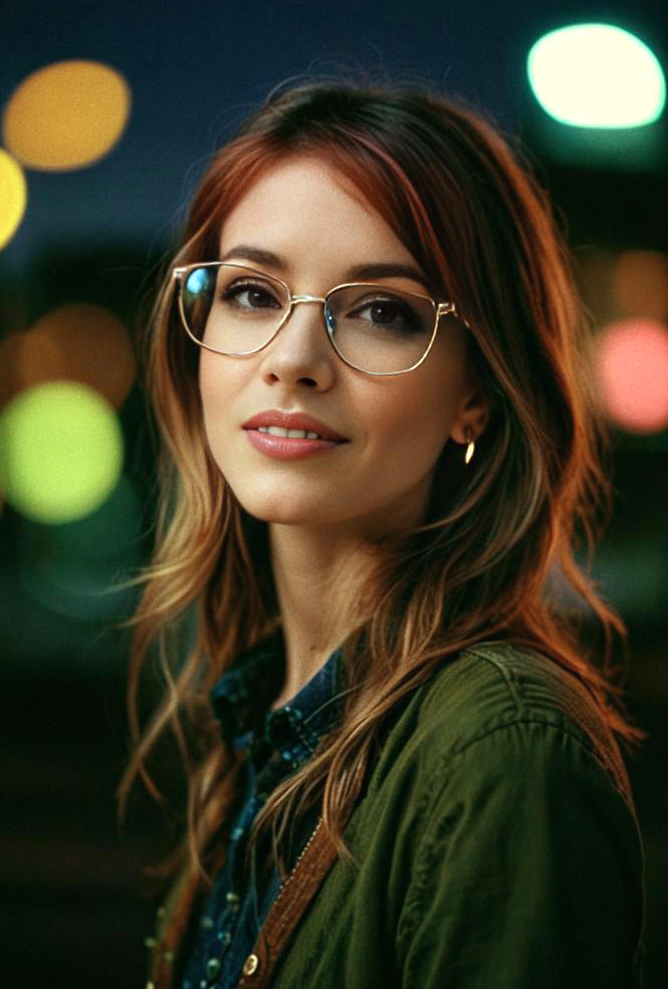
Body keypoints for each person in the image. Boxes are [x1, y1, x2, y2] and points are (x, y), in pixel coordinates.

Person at [117, 73, 648, 989]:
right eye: (250, 292)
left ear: (476, 394)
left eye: (380, 311)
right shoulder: (259, 724)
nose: (292, 359)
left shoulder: (502, 753)